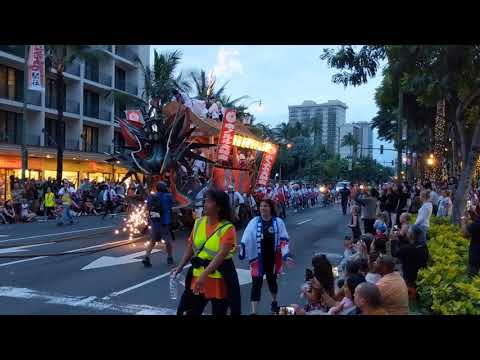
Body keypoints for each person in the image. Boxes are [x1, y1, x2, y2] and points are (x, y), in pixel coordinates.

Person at [173, 190, 241, 315]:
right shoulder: (198, 222)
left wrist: (204, 275)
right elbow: (190, 247)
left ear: (219, 207)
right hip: (198, 275)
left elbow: (221, 256)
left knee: (220, 311)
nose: (204, 204)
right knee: (190, 310)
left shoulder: (228, 228)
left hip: (218, 278)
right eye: (204, 201)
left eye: (208, 202)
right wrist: (180, 266)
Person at [239, 198, 293, 314]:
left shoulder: (278, 222)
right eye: (261, 206)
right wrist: (242, 247)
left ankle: (274, 302)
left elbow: (284, 240)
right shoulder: (254, 222)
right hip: (257, 259)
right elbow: (246, 236)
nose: (263, 208)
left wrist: (286, 255)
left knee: (272, 283)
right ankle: (254, 312)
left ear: (271, 208)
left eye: (266, 206)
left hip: (272, 259)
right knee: (256, 285)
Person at [142, 182, 174, 267]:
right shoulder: (167, 196)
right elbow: (171, 205)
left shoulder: (151, 196)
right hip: (164, 222)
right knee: (167, 241)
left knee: (152, 241)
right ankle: (169, 257)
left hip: (154, 222)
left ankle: (146, 257)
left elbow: (148, 207)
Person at [391, 224, 429, 290]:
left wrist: (393, 240)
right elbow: (407, 243)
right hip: (420, 276)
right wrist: (398, 234)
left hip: (409, 278)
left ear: (411, 235)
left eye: (408, 232)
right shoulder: (423, 246)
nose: (406, 233)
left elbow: (394, 253)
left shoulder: (408, 249)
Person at [461, 204, 480, 276]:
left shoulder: (478, 223)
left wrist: (463, 219)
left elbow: (465, 234)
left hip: (476, 256)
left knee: (472, 277)